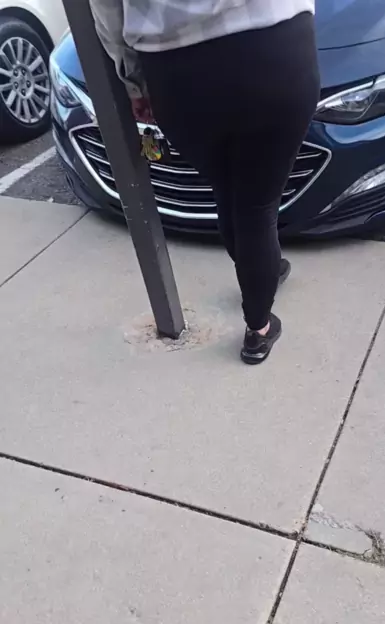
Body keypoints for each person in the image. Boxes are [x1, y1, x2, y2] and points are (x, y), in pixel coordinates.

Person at [89, 0, 320, 364]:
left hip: (175, 67)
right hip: (274, 42)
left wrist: (134, 81)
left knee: (227, 189)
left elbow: (106, 8)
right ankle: (258, 327)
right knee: (256, 205)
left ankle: (263, 273)